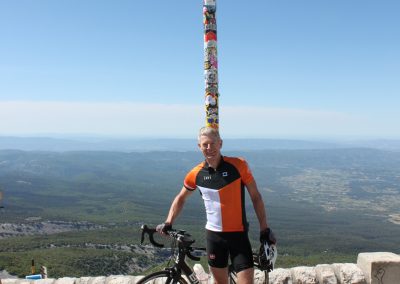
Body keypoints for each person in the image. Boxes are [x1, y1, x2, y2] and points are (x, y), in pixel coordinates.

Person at [157, 127, 276, 284]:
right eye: (205, 144)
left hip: (238, 236)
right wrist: (168, 221)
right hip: (214, 237)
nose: (209, 148)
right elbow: (180, 198)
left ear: (220, 144)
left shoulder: (238, 165)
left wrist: (264, 229)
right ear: (199, 146)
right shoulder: (196, 174)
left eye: (212, 143)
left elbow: (256, 197)